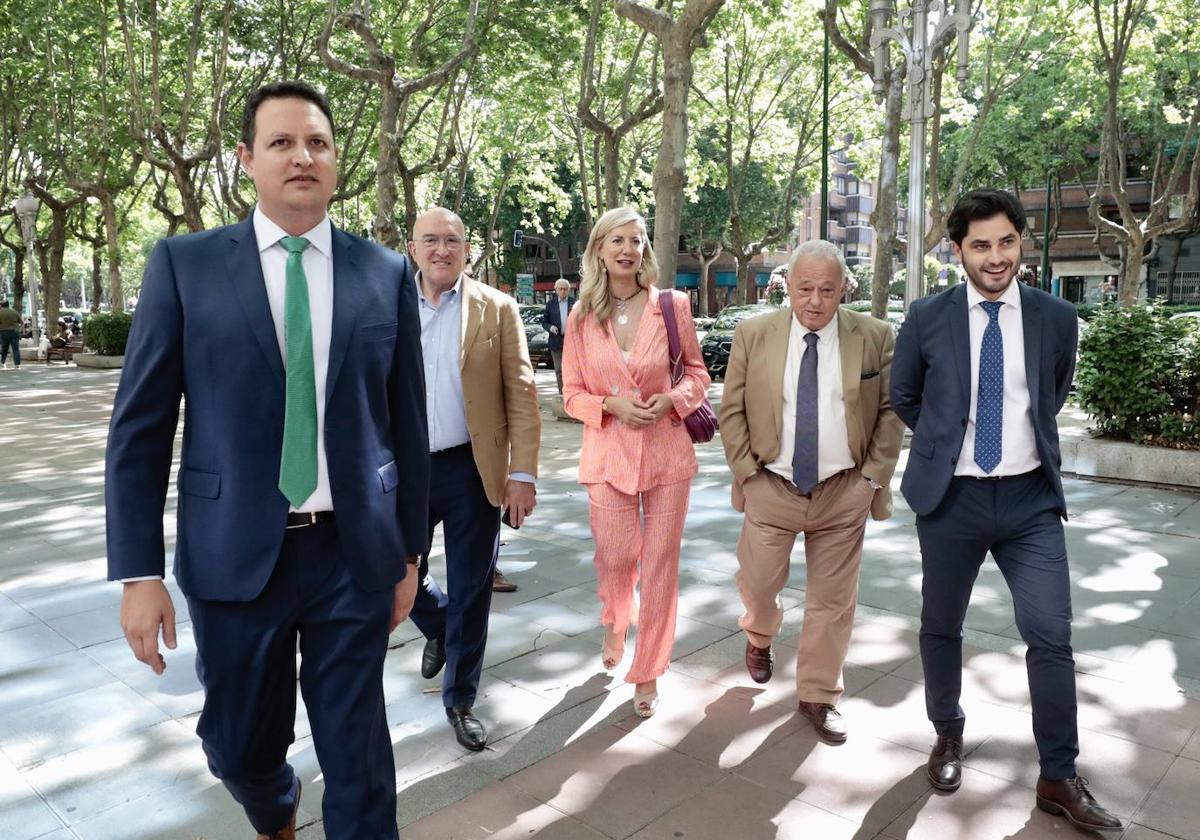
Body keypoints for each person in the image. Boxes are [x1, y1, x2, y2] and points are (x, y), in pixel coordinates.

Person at [105, 81, 429, 840]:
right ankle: (273, 805)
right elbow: (139, 430)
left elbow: (406, 428)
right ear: (246, 160)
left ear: (336, 161)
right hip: (233, 561)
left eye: (316, 142)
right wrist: (138, 573)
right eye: (281, 143)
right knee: (240, 747)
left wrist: (411, 550)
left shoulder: (383, 272)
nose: (301, 157)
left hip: (352, 555)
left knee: (360, 761)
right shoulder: (184, 266)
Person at [890, 189, 1121, 833]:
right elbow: (905, 395)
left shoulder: (1055, 316)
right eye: (980, 245)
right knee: (942, 624)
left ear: (1022, 242)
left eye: (1006, 242)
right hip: (951, 499)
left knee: (1052, 636)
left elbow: (1051, 392)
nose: (996, 258)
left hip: (1029, 501)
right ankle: (947, 734)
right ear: (958, 250)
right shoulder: (927, 317)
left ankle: (1058, 773)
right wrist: (943, 443)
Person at [718, 240, 903, 743]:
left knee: (833, 602)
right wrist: (747, 474)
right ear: (787, 287)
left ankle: (819, 695)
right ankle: (759, 633)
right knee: (758, 584)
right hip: (770, 486)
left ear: (845, 287)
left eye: (827, 289)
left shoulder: (875, 336)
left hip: (844, 490)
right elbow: (730, 409)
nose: (816, 301)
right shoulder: (754, 333)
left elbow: (891, 412)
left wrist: (871, 479)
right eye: (805, 289)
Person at [561, 206, 710, 718]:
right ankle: (614, 615)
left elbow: (696, 374)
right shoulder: (580, 317)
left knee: (661, 565)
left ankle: (648, 670)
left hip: (667, 453)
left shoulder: (672, 306)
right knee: (617, 557)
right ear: (599, 250)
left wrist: (671, 400)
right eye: (618, 240)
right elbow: (571, 394)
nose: (629, 249)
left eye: (637, 240)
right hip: (607, 456)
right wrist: (609, 406)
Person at [405, 207, 541, 751]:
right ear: (413, 247)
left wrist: (522, 473)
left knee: (473, 589)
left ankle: (460, 699)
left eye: (453, 241)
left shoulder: (497, 308)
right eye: (431, 240)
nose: (442, 249)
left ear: (468, 249)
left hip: (472, 468)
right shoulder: (386, 304)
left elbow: (523, 395)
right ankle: (438, 625)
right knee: (395, 575)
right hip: (405, 469)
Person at [542, 277, 576, 394]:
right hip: (556, 340)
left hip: (572, 342)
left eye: (565, 289)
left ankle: (572, 391)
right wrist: (550, 327)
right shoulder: (550, 304)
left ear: (569, 290)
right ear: (556, 290)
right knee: (559, 370)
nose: (563, 291)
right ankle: (562, 393)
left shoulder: (574, 303)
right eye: (560, 289)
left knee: (572, 369)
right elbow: (544, 322)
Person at [0, 299, 20, 369]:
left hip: (3, 332)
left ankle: (3, 363)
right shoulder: (14, 312)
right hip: (14, 332)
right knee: (15, 349)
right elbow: (20, 322)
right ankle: (17, 365)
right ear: (8, 305)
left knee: (4, 349)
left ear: (1, 305)